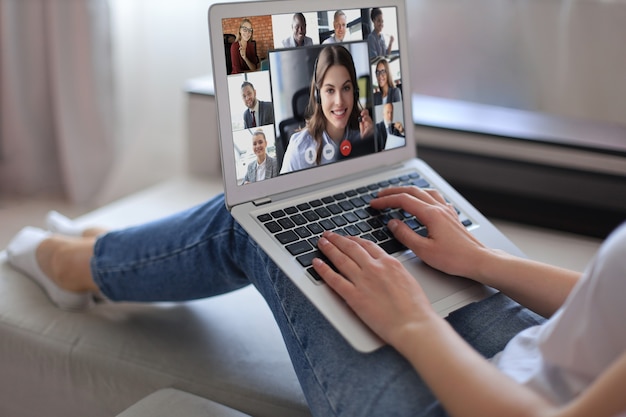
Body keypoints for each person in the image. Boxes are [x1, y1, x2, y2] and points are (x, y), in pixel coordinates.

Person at [7, 183, 626, 417]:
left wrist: (413, 323)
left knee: (249, 220)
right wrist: (483, 263)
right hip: (535, 353)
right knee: (354, 203)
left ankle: (79, 263)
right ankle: (113, 249)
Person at [279, 44, 374, 174]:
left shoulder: (368, 135)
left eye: (346, 88)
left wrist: (370, 146)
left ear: (355, 92)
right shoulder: (298, 149)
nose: (339, 101)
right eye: (330, 90)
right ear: (318, 96)